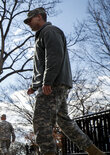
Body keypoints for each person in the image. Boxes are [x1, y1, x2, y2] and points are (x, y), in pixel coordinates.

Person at [24, 7, 105, 155]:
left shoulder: (50, 31)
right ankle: (94, 152)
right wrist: (34, 86)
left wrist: (47, 82)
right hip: (55, 83)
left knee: (41, 123)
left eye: (31, 19)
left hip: (52, 84)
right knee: (64, 122)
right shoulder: (43, 35)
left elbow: (54, 57)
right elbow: (42, 63)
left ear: (40, 17)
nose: (28, 23)